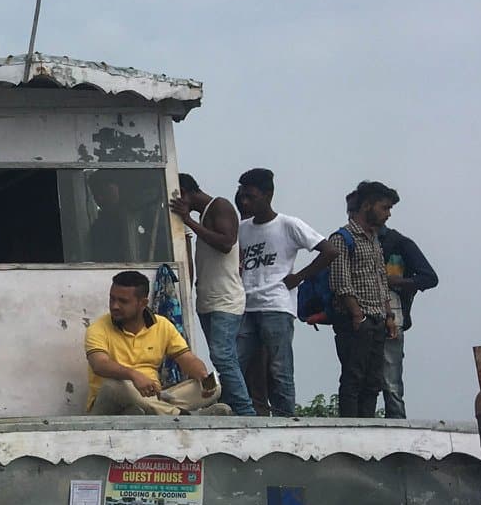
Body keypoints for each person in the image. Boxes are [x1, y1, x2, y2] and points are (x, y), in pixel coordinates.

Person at [235, 168, 334, 417]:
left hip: (276, 306)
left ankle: (286, 421)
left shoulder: (288, 225)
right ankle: (244, 416)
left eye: (251, 197)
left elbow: (330, 251)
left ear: (268, 195)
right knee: (238, 364)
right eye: (243, 196)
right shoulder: (242, 228)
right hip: (246, 305)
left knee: (279, 369)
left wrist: (299, 277)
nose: (245, 202)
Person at [84, 271, 228, 415]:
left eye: (123, 301)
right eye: (112, 299)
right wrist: (133, 375)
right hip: (111, 403)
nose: (115, 306)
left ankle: (160, 410)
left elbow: (187, 359)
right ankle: (182, 416)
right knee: (114, 386)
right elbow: (99, 364)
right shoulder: (98, 328)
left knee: (215, 387)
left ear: (143, 303)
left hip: (153, 397)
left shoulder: (162, 325)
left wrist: (202, 376)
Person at [168, 173, 253, 416]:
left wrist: (188, 221)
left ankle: (246, 412)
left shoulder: (220, 206)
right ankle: (231, 405)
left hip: (225, 300)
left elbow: (227, 242)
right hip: (208, 299)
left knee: (223, 356)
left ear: (185, 192)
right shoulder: (205, 215)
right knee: (222, 357)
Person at [319, 182, 401, 419]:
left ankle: (367, 426)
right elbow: (340, 282)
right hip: (355, 320)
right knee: (353, 377)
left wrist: (389, 316)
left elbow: (381, 280)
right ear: (367, 206)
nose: (388, 214)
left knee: (373, 381)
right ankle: (351, 427)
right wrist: (357, 315)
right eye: (384, 207)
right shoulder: (342, 238)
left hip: (377, 319)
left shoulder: (373, 239)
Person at [378, 212, 438, 420]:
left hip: (394, 313)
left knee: (391, 379)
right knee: (367, 380)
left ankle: (396, 424)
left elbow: (429, 277)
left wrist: (397, 282)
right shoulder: (352, 241)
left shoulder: (399, 243)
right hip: (364, 315)